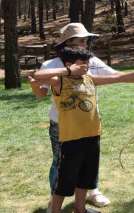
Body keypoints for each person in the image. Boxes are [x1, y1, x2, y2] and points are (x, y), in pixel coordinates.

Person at [33, 46, 134, 213]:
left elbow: (118, 77)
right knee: (65, 178)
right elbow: (38, 76)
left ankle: (80, 209)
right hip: (71, 138)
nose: (86, 67)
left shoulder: (89, 79)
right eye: (82, 64)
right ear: (69, 64)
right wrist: (69, 70)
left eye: (87, 64)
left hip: (92, 135)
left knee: (86, 175)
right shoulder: (59, 81)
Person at [29, 23, 120, 210]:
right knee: (61, 163)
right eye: (81, 41)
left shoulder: (90, 60)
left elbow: (114, 75)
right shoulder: (51, 65)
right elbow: (40, 92)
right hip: (61, 124)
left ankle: (92, 192)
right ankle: (55, 200)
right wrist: (69, 71)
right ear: (68, 43)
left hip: (88, 123)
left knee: (89, 162)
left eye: (87, 41)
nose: (85, 45)